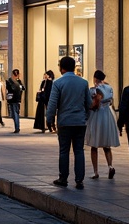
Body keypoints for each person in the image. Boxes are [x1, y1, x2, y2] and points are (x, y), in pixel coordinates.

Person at [47, 55, 90, 189]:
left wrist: (50, 119)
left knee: (64, 150)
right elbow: (88, 103)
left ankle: (63, 178)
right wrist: (85, 117)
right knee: (79, 150)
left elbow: (52, 104)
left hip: (64, 121)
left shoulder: (58, 83)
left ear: (61, 68)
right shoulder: (83, 83)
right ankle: (79, 180)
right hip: (79, 122)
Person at [84, 69, 119, 179]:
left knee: (94, 145)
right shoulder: (109, 88)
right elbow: (111, 102)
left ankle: (96, 172)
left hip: (96, 116)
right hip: (107, 116)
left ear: (95, 78)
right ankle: (110, 166)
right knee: (106, 145)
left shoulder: (93, 90)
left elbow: (91, 104)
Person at [6, 68, 25, 132]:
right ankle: (17, 127)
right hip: (16, 99)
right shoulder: (18, 82)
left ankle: (17, 127)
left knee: (14, 113)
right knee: (15, 113)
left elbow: (9, 89)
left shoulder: (9, 81)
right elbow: (23, 88)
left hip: (12, 99)